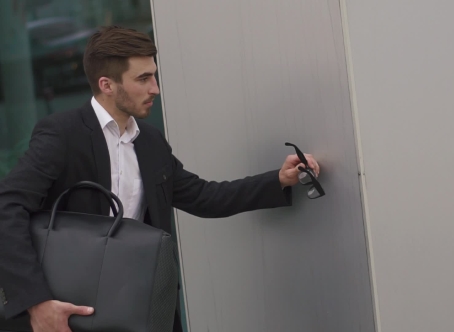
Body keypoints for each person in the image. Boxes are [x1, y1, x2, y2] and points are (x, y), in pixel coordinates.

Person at [0, 26, 320, 332]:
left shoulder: (151, 142)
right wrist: (36, 303)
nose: (155, 88)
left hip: (139, 306)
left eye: (154, 75)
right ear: (107, 84)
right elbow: (7, 207)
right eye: (143, 78)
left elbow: (204, 196)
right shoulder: (62, 134)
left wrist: (278, 179)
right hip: (71, 311)